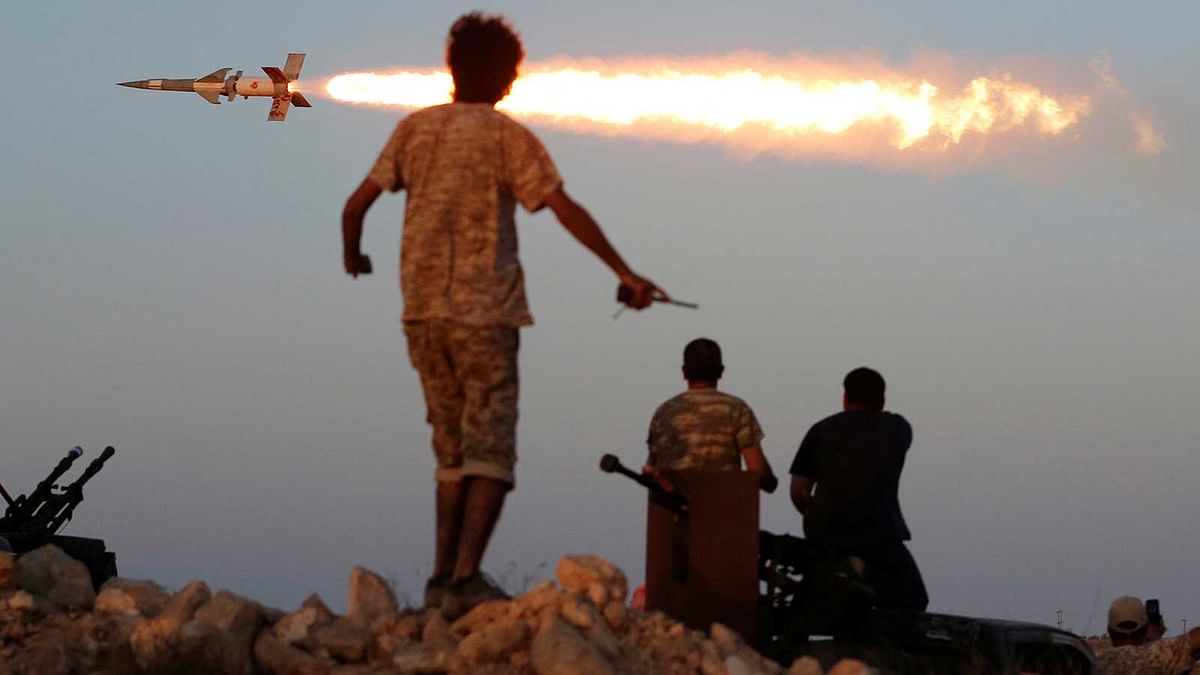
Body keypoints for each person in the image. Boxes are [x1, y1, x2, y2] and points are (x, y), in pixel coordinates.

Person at [341, 12, 667, 617]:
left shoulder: (412, 130)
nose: (514, 85)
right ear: (499, 74)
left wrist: (354, 256)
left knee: (449, 452)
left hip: (422, 318)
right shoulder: (505, 136)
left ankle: (441, 580)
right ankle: (465, 579)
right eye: (512, 73)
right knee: (491, 452)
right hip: (484, 314)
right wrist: (623, 272)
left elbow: (354, 206)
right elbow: (562, 208)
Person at [788, 367, 928, 611]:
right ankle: (865, 580)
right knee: (914, 596)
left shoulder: (820, 429)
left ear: (845, 398)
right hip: (877, 531)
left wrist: (820, 514)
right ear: (883, 400)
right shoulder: (898, 429)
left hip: (825, 531)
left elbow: (798, 491)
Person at [645, 338, 778, 492]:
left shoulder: (663, 413)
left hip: (672, 511)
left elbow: (652, 472)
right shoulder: (736, 409)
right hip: (722, 509)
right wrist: (771, 482)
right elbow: (758, 472)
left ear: (684, 372)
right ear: (721, 371)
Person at [1094, 596, 1200, 675]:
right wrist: (1155, 641)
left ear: (1110, 632)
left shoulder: (1095, 666)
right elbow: (1194, 641)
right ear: (1145, 629)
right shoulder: (1159, 657)